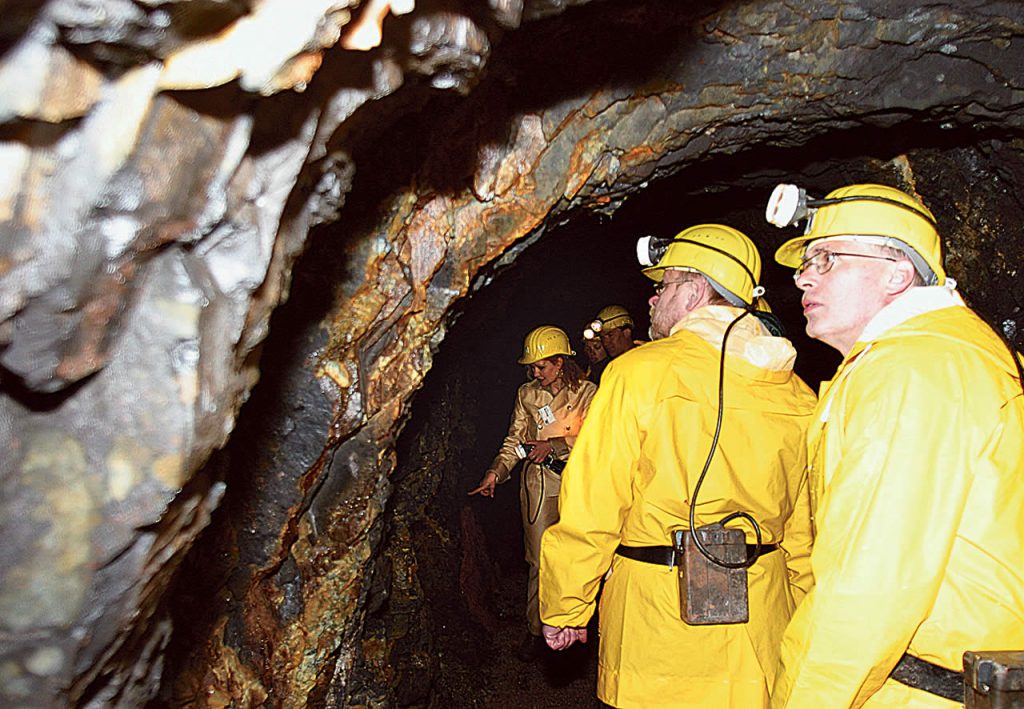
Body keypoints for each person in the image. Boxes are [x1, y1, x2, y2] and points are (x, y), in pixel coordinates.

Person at [763, 182, 1024, 707]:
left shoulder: (916, 369)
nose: (803, 276)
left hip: (916, 690)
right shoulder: (939, 354)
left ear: (897, 273)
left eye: (827, 258)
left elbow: (873, 581)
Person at [538, 225, 817, 707]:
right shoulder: (797, 393)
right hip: (762, 624)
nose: (651, 298)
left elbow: (596, 502)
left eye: (662, 285)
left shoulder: (636, 374)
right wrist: (809, 616)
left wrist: (567, 603)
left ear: (693, 292)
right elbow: (804, 531)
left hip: (659, 625)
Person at [469, 325, 598, 661]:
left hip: (578, 483)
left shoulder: (588, 392)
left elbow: (599, 438)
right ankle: (536, 631)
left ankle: (580, 627)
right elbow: (514, 441)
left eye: (541, 366)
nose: (535, 372)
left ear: (559, 362)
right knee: (539, 560)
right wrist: (495, 472)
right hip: (539, 485)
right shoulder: (528, 395)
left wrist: (555, 444)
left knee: (580, 556)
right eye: (532, 367)